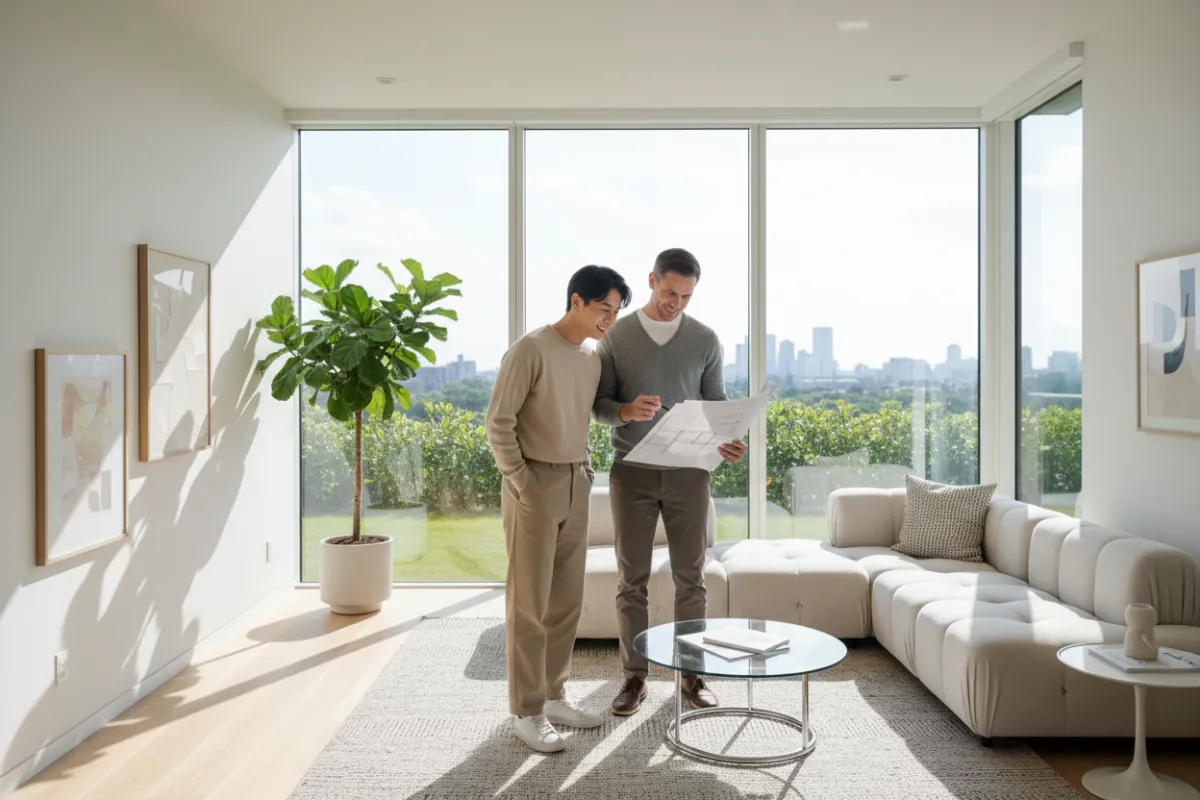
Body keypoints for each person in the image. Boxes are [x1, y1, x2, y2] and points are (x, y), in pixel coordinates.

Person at [593, 247, 747, 716]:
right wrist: (623, 411)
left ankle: (692, 675)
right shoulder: (617, 335)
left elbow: (716, 402)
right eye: (668, 292)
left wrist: (729, 441)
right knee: (631, 580)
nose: (675, 303)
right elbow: (597, 403)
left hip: (689, 472)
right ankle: (634, 678)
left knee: (691, 580)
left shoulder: (704, 339)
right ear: (651, 281)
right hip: (632, 472)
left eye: (685, 296)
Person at [485, 264, 633, 752]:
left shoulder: (591, 357)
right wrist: (522, 481)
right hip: (534, 483)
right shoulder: (530, 349)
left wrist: (622, 418)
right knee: (528, 603)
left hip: (577, 480)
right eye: (603, 308)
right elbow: (498, 422)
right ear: (576, 301)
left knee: (566, 599)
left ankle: (552, 695)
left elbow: (591, 410)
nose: (609, 319)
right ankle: (526, 711)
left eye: (616, 311)